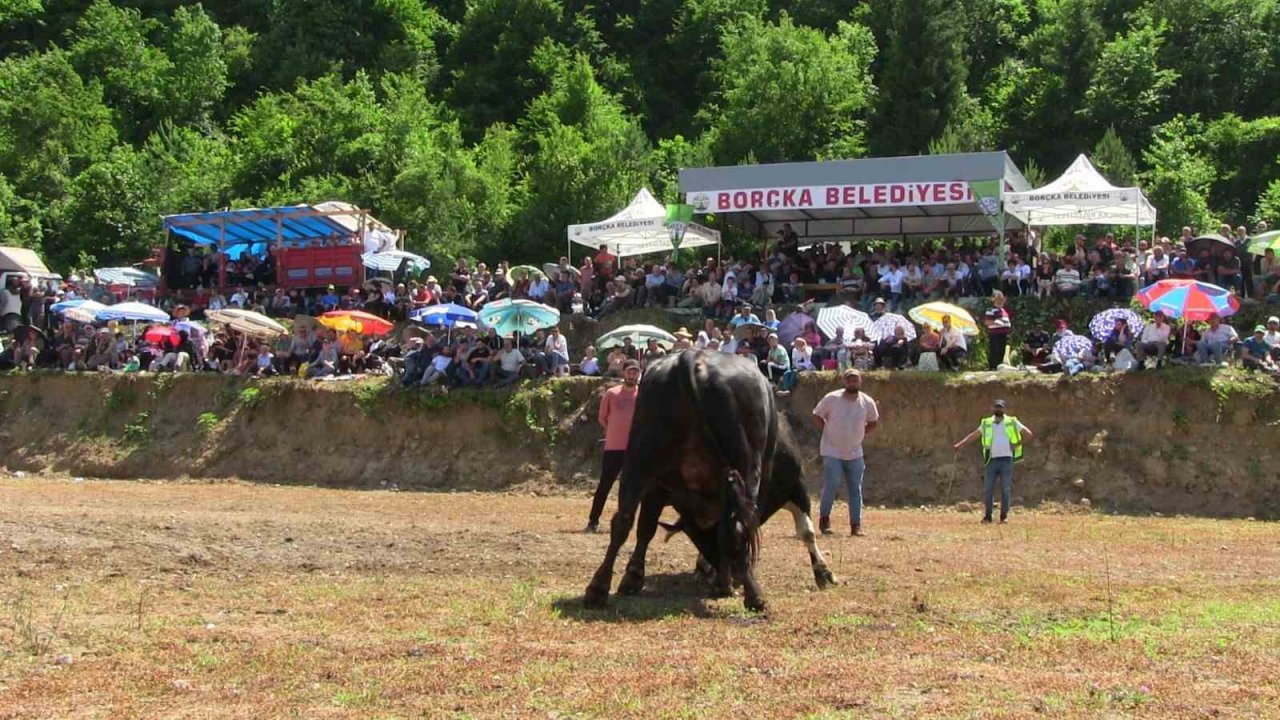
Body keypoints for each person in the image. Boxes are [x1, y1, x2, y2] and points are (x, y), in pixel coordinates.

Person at [812, 368, 879, 536]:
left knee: (855, 489)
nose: (852, 383)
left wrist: (860, 434)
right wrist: (828, 431)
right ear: (844, 382)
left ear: (860, 381)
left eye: (855, 380)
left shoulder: (867, 402)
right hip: (831, 450)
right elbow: (816, 415)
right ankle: (824, 521)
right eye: (849, 380)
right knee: (832, 485)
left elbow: (873, 421)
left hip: (855, 453)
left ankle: (856, 525)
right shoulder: (832, 398)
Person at [953, 399, 1034, 524]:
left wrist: (1017, 444)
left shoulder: (1012, 422)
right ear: (992, 408)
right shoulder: (986, 423)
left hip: (1006, 460)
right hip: (991, 460)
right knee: (988, 490)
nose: (998, 409)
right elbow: (974, 435)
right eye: (996, 407)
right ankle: (988, 516)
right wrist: (960, 444)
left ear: (1004, 409)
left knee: (1005, 489)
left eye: (1000, 407)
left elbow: (1028, 434)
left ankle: (1004, 517)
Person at [586, 360, 641, 532]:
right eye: (629, 372)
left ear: (638, 374)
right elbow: (602, 417)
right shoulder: (611, 393)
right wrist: (613, 432)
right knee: (605, 485)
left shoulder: (643, 395)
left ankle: (623, 523)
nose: (632, 375)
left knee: (628, 488)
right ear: (624, 373)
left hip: (633, 449)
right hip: (614, 447)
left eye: (635, 372)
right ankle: (593, 521)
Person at [984, 291, 1012, 370]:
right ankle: (992, 367)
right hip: (995, 334)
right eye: (999, 299)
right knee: (995, 351)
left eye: (1001, 299)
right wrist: (997, 322)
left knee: (1001, 351)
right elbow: (987, 322)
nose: (1001, 301)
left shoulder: (1003, 310)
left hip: (1004, 334)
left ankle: (999, 366)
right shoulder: (990, 310)